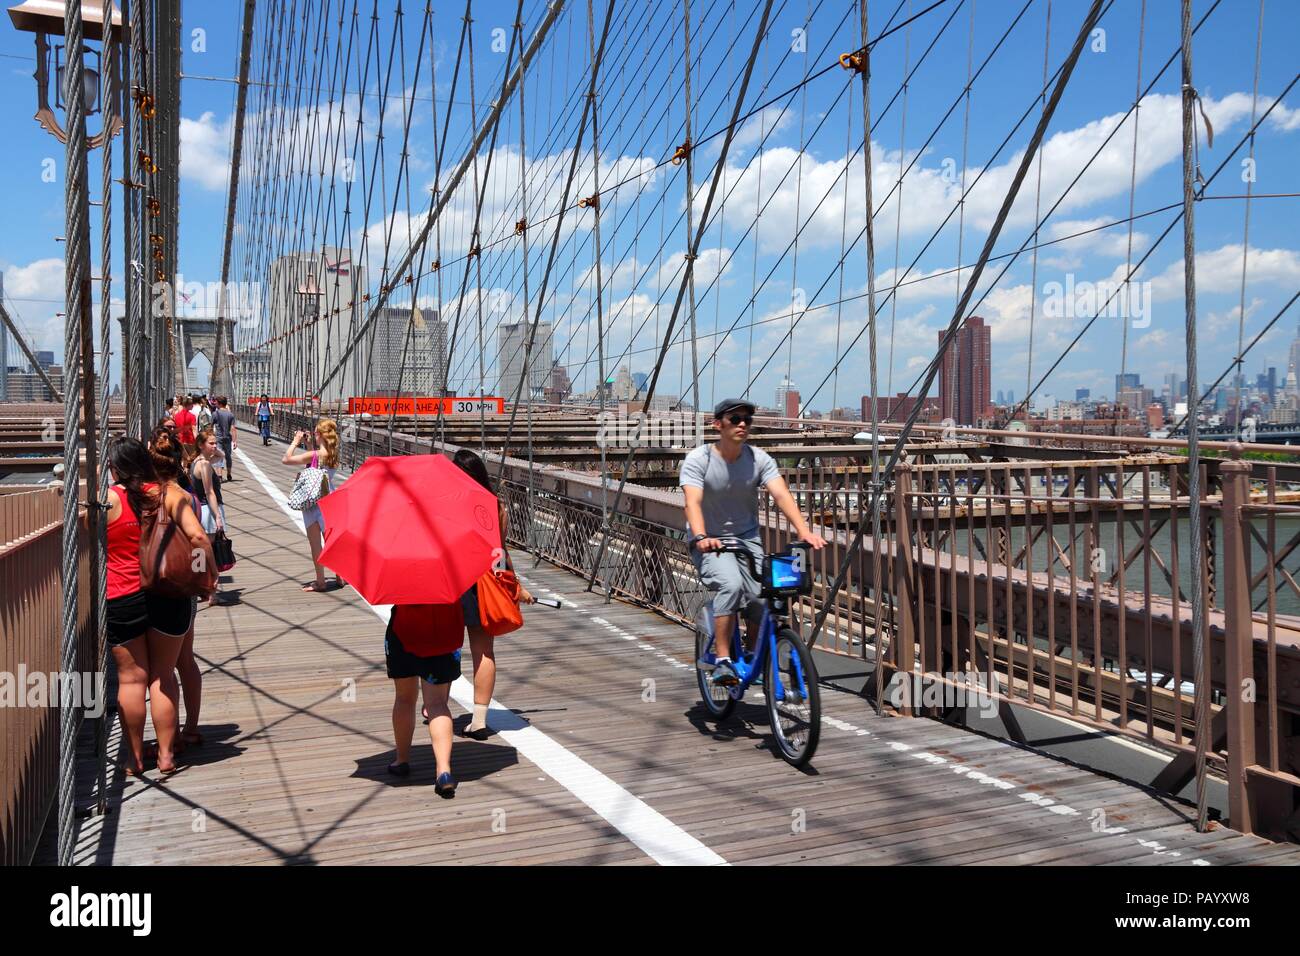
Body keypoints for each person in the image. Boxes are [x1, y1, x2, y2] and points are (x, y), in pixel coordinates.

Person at [679, 398, 825, 686]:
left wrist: (804, 531)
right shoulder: (699, 460)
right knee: (732, 585)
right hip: (710, 540)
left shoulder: (758, 459)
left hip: (747, 539)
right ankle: (722, 660)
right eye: (735, 419)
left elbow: (782, 495)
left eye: (747, 419)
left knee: (765, 593)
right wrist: (701, 536)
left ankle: (751, 649)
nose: (742, 424)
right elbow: (692, 503)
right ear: (717, 424)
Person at [104, 436, 208, 776]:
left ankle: (134, 759)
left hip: (122, 597)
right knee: (163, 676)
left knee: (132, 680)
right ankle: (166, 755)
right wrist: (206, 577)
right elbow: (198, 538)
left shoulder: (107, 501)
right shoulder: (171, 494)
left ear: (115, 468)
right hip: (167, 594)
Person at [450, 448, 533, 740]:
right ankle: (480, 720)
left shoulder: (445, 504)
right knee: (484, 652)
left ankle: (435, 705)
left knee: (444, 648)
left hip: (448, 581)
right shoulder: (495, 506)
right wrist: (515, 585)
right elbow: (498, 554)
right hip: (480, 584)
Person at [148, 426, 205, 750]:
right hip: (184, 587)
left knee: (159, 672)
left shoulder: (148, 497)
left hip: (154, 586)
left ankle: (166, 745)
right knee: (186, 661)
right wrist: (198, 580)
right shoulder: (189, 496)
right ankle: (191, 728)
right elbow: (199, 541)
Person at [385, 603, 464, 796]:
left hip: (403, 630)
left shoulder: (399, 570)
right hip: (443, 631)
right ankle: (444, 771)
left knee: (404, 699)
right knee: (437, 704)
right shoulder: (450, 571)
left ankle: (401, 760)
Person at [281, 418, 342, 592]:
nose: (313, 435)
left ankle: (321, 581)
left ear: (321, 435)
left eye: (315, 433)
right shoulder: (333, 455)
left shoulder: (315, 455)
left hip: (311, 503)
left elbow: (286, 459)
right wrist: (309, 445)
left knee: (316, 544)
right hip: (328, 499)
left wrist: (295, 441)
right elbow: (315, 468)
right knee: (331, 541)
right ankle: (340, 576)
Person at [213, 396, 237, 481]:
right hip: (228, 438)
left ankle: (219, 476)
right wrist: (234, 441)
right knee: (228, 456)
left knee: (219, 456)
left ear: (219, 403)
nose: (215, 403)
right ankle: (229, 474)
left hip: (218, 438)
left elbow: (210, 426)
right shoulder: (230, 414)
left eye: (216, 402)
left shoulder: (215, 414)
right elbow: (233, 428)